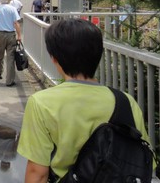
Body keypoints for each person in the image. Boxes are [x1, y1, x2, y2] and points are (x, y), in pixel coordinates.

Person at [17, 18, 153, 182]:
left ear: (54, 58)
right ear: (98, 55)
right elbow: (145, 160)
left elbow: (37, 173)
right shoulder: (126, 101)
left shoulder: (41, 103)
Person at [0, 0, 22, 83]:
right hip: (11, 34)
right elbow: (16, 23)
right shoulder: (12, 9)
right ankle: (9, 80)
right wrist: (19, 36)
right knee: (10, 57)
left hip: (0, 35)